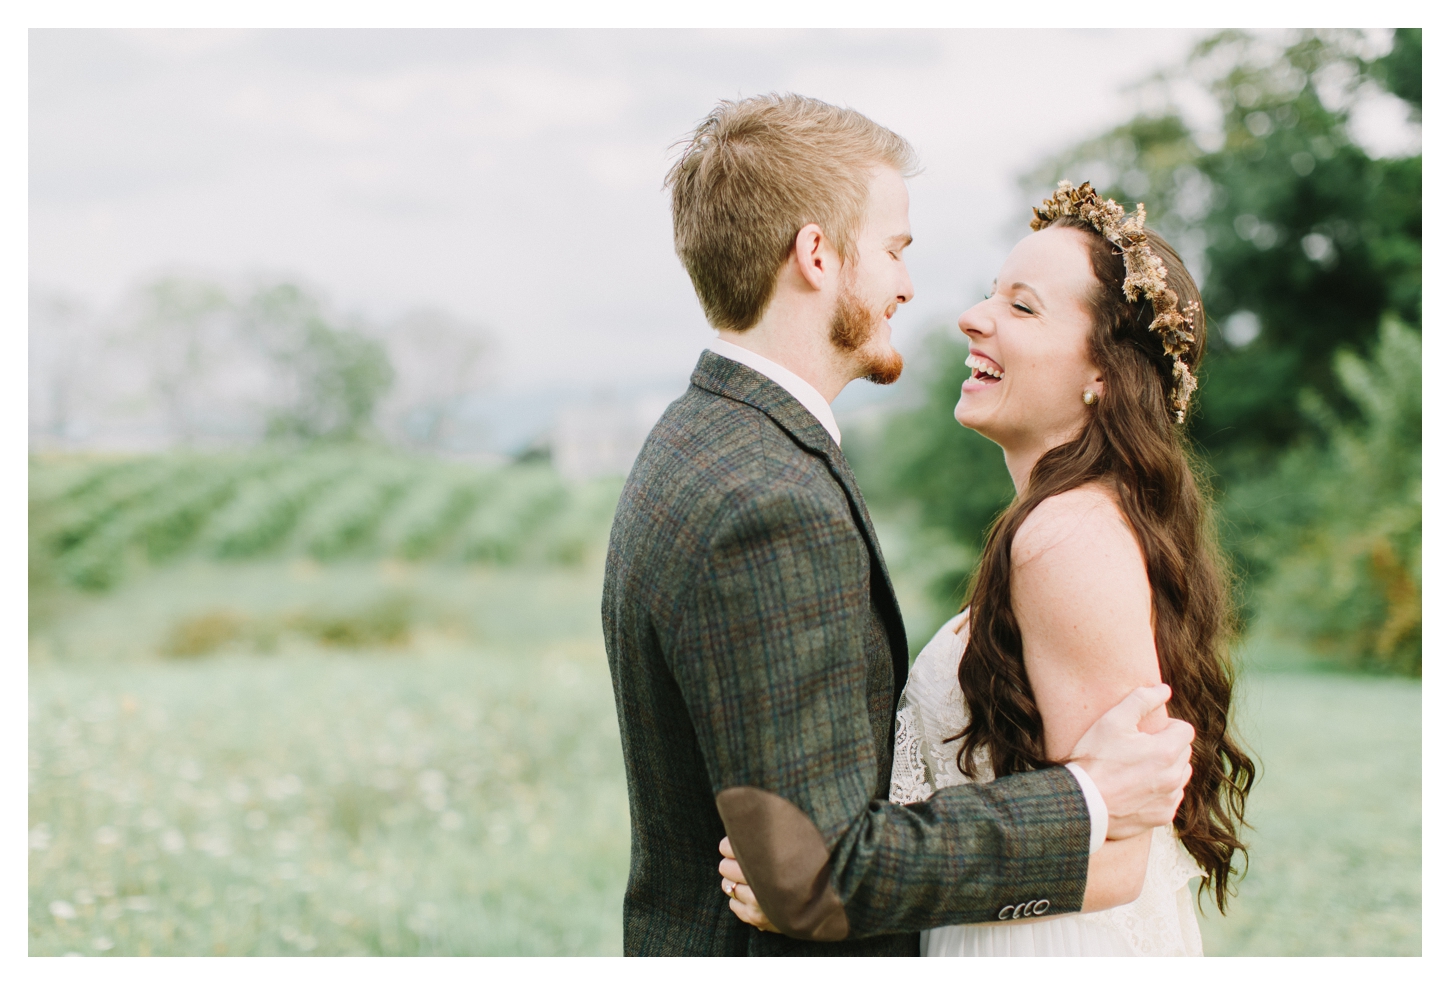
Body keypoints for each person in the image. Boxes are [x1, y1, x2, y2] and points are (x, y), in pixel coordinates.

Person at [602, 95, 1196, 957]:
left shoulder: (697, 441)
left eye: (1022, 306)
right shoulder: (769, 497)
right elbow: (820, 866)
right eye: (893, 250)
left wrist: (808, 879)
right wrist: (1088, 799)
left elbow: (817, 862)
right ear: (817, 254)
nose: (916, 289)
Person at [720, 180, 1256, 955]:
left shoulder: (1066, 538)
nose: (974, 317)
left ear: (1101, 374)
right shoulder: (1071, 521)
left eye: (1023, 306)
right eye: (988, 294)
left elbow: (1112, 859)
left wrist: (826, 881)